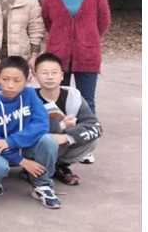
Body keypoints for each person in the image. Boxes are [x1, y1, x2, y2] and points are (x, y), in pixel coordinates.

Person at [0, 56, 62, 209]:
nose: (10, 85)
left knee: (48, 141)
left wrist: (11, 142)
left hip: (22, 147)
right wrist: (23, 162)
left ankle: (42, 185)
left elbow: (42, 124)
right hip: (0, 152)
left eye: (17, 81)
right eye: (5, 79)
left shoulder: (30, 95)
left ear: (26, 80)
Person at [42, 0, 111, 127]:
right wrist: (61, 39)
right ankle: (60, 134)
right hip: (57, 55)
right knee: (57, 97)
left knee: (87, 99)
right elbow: (48, 21)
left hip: (87, 54)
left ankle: (88, 135)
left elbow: (103, 20)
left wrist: (89, 38)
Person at [34, 52, 103, 186]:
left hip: (61, 144)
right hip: (37, 146)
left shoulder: (73, 97)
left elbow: (95, 126)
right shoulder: (28, 98)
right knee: (46, 141)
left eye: (54, 73)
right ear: (36, 76)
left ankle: (59, 166)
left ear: (62, 76)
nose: (50, 77)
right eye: (44, 73)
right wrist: (60, 126)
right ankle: (36, 168)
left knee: (91, 138)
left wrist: (67, 137)